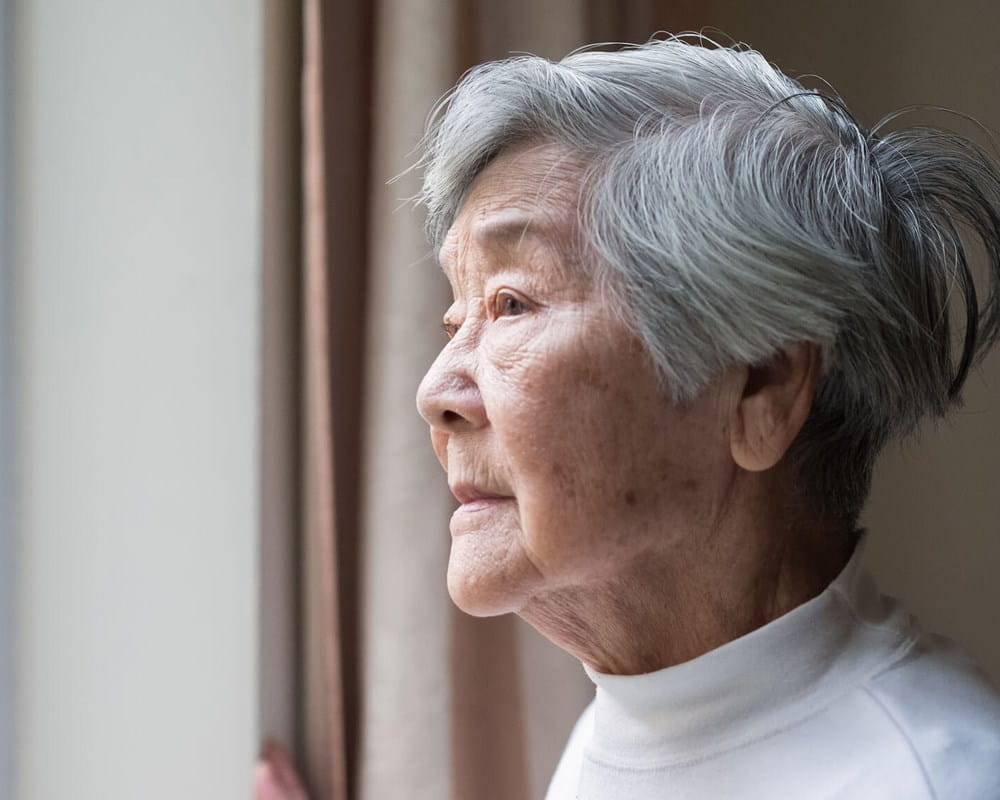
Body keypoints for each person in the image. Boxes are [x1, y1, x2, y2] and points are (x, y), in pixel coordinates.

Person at [257, 36, 1000, 799]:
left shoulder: (936, 778)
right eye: (457, 321)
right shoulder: (631, 725)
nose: (435, 392)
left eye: (512, 305)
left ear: (762, 387)